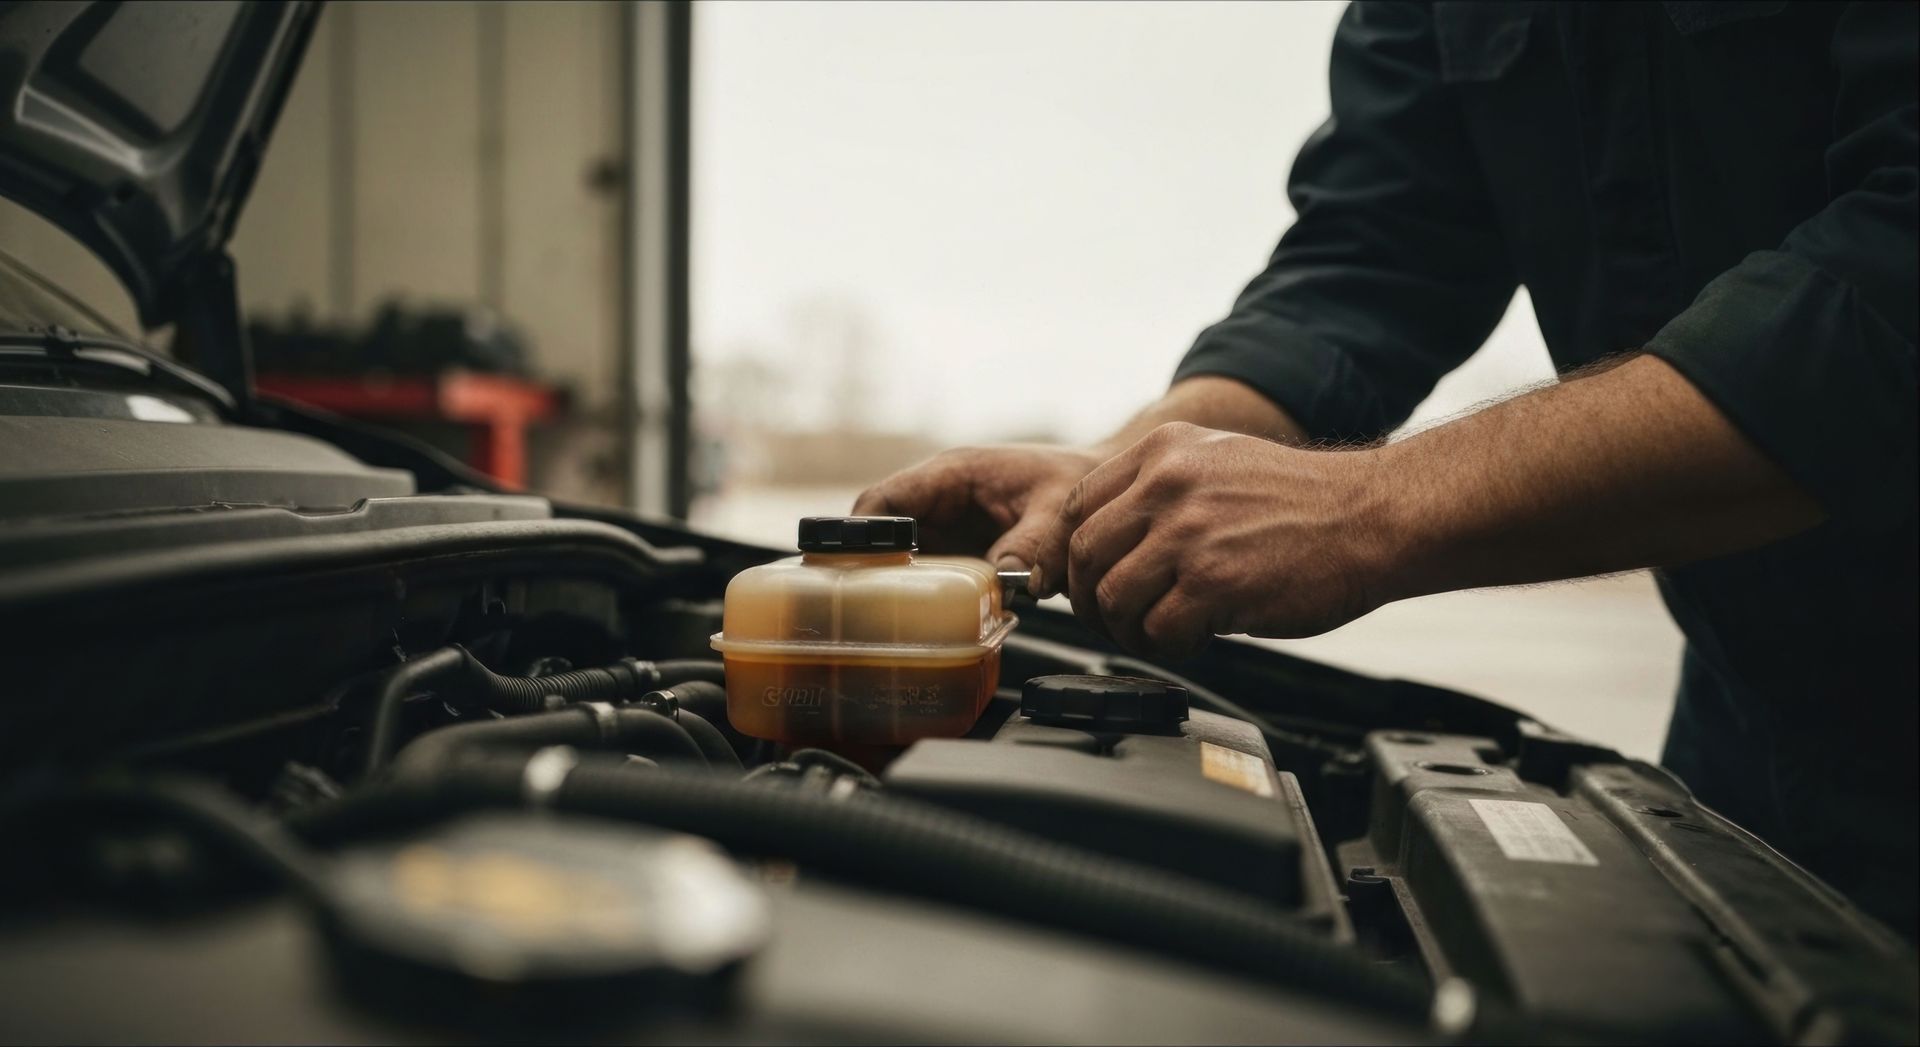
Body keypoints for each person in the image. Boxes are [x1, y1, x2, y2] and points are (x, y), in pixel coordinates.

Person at [852, 2, 1916, 937]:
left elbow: (1892, 270)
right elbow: (1374, 257)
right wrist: (1117, 483)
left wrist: (1371, 509)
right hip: (1752, 726)